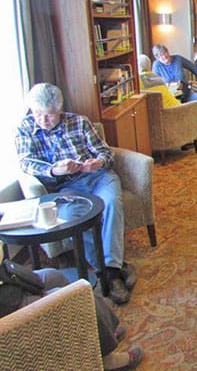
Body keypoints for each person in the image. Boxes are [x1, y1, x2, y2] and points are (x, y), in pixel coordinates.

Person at [15, 84, 136, 305]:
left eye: (49, 115)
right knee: (76, 217)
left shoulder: (79, 122)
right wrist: (53, 170)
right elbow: (25, 162)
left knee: (111, 203)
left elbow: (105, 152)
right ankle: (111, 270)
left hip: (98, 177)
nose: (43, 120)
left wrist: (97, 162)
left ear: (60, 110)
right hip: (65, 187)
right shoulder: (25, 128)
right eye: (37, 114)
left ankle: (109, 270)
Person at [0, 256, 143, 371]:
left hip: (7, 278)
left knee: (54, 276)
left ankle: (102, 334)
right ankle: (107, 360)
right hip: (7, 306)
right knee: (75, 297)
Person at [152, 44, 197, 137]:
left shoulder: (178, 59)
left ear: (168, 51)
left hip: (185, 93)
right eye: (161, 55)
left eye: (165, 53)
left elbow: (193, 68)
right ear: (157, 57)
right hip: (171, 96)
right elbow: (155, 84)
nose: (164, 56)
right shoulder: (157, 66)